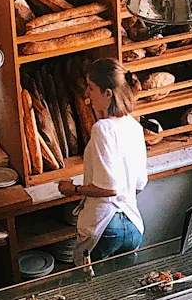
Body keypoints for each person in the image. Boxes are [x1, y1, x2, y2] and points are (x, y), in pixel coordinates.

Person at [58, 59, 148, 261]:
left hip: (106, 226)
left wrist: (73, 189)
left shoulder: (102, 129)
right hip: (133, 225)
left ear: (107, 93)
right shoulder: (134, 126)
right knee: (124, 287)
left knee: (92, 288)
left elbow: (109, 189)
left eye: (91, 87)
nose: (87, 94)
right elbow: (140, 183)